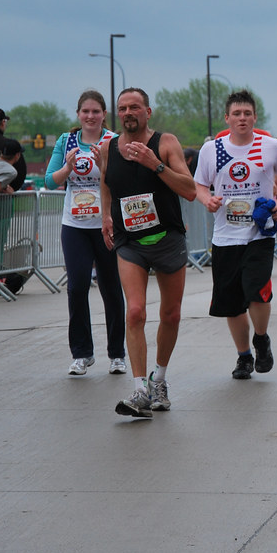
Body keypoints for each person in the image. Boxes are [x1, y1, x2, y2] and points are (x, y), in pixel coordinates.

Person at [99, 88, 197, 419]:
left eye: (135, 107)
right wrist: (105, 214)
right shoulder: (107, 149)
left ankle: (159, 379)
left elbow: (190, 191)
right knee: (135, 312)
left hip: (167, 236)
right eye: (123, 107)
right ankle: (140, 388)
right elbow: (106, 184)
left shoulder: (165, 143)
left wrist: (154, 165)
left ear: (147, 111)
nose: (128, 112)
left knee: (171, 314)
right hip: (130, 243)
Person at [194, 90, 277, 380]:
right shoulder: (211, 150)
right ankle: (243, 357)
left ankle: (261, 340)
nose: (242, 118)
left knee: (257, 293)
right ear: (227, 118)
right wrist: (206, 200)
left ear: (255, 117)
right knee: (231, 303)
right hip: (225, 237)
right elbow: (200, 185)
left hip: (259, 235)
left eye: (247, 113)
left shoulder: (271, 146)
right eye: (236, 114)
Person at [45, 90, 125, 376]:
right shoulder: (66, 141)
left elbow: (124, 181)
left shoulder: (114, 141)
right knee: (77, 287)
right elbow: (50, 181)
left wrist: (105, 166)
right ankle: (81, 354)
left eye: (96, 112)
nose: (90, 116)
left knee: (111, 288)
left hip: (106, 224)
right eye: (85, 112)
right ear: (78, 114)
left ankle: (117, 354)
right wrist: (67, 167)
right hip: (75, 226)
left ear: (104, 114)